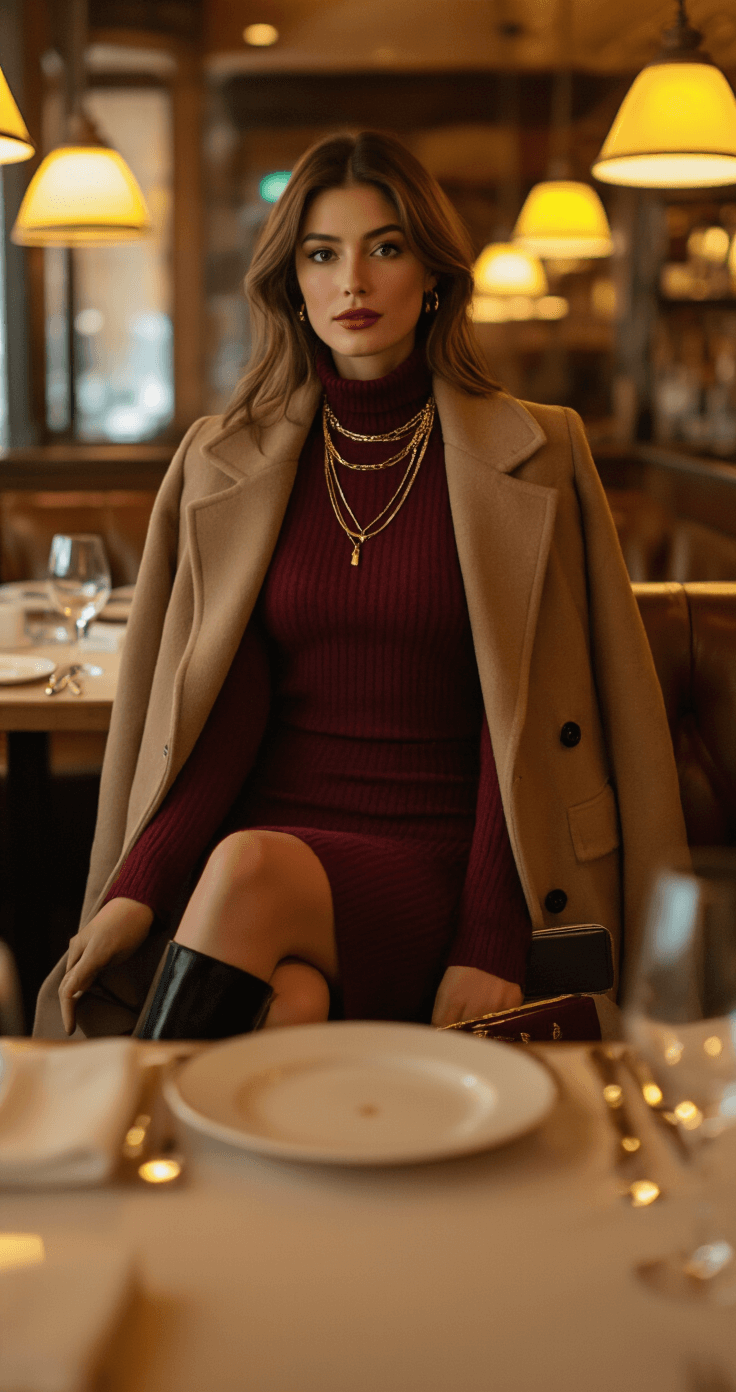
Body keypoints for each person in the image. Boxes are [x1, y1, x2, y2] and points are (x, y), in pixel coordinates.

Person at [34, 129, 687, 1042]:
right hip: (267, 843)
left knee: (249, 872)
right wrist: (136, 891)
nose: (353, 282)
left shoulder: (539, 452)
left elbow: (535, 717)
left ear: (432, 277)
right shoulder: (227, 460)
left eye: (385, 248)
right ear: (291, 286)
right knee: (287, 1009)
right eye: (321, 254)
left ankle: (122, 1133)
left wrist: (491, 933)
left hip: (439, 855)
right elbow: (223, 721)